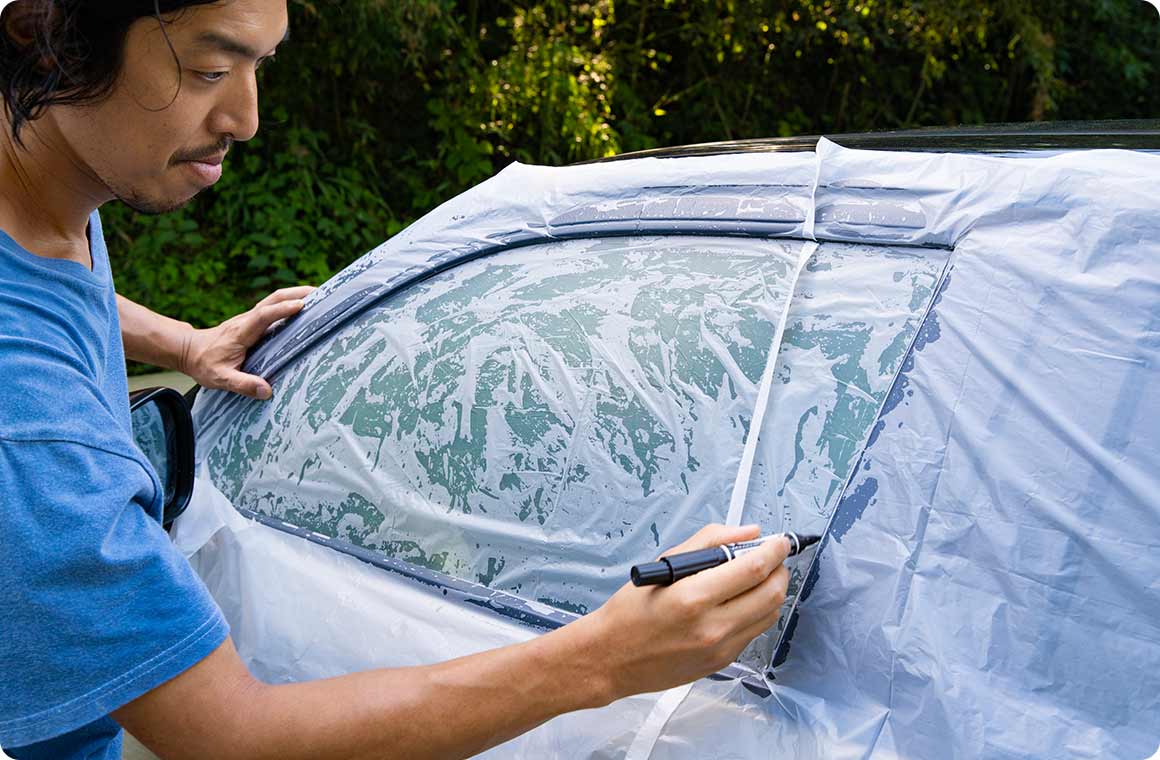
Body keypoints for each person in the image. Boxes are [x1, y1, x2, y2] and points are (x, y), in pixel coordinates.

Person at [0, 1, 792, 758]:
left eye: (259, 66)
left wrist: (180, 341)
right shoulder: (35, 435)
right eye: (210, 70)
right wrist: (605, 661)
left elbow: (43, 285)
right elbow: (232, 737)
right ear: (45, 36)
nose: (245, 119)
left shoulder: (36, 177)